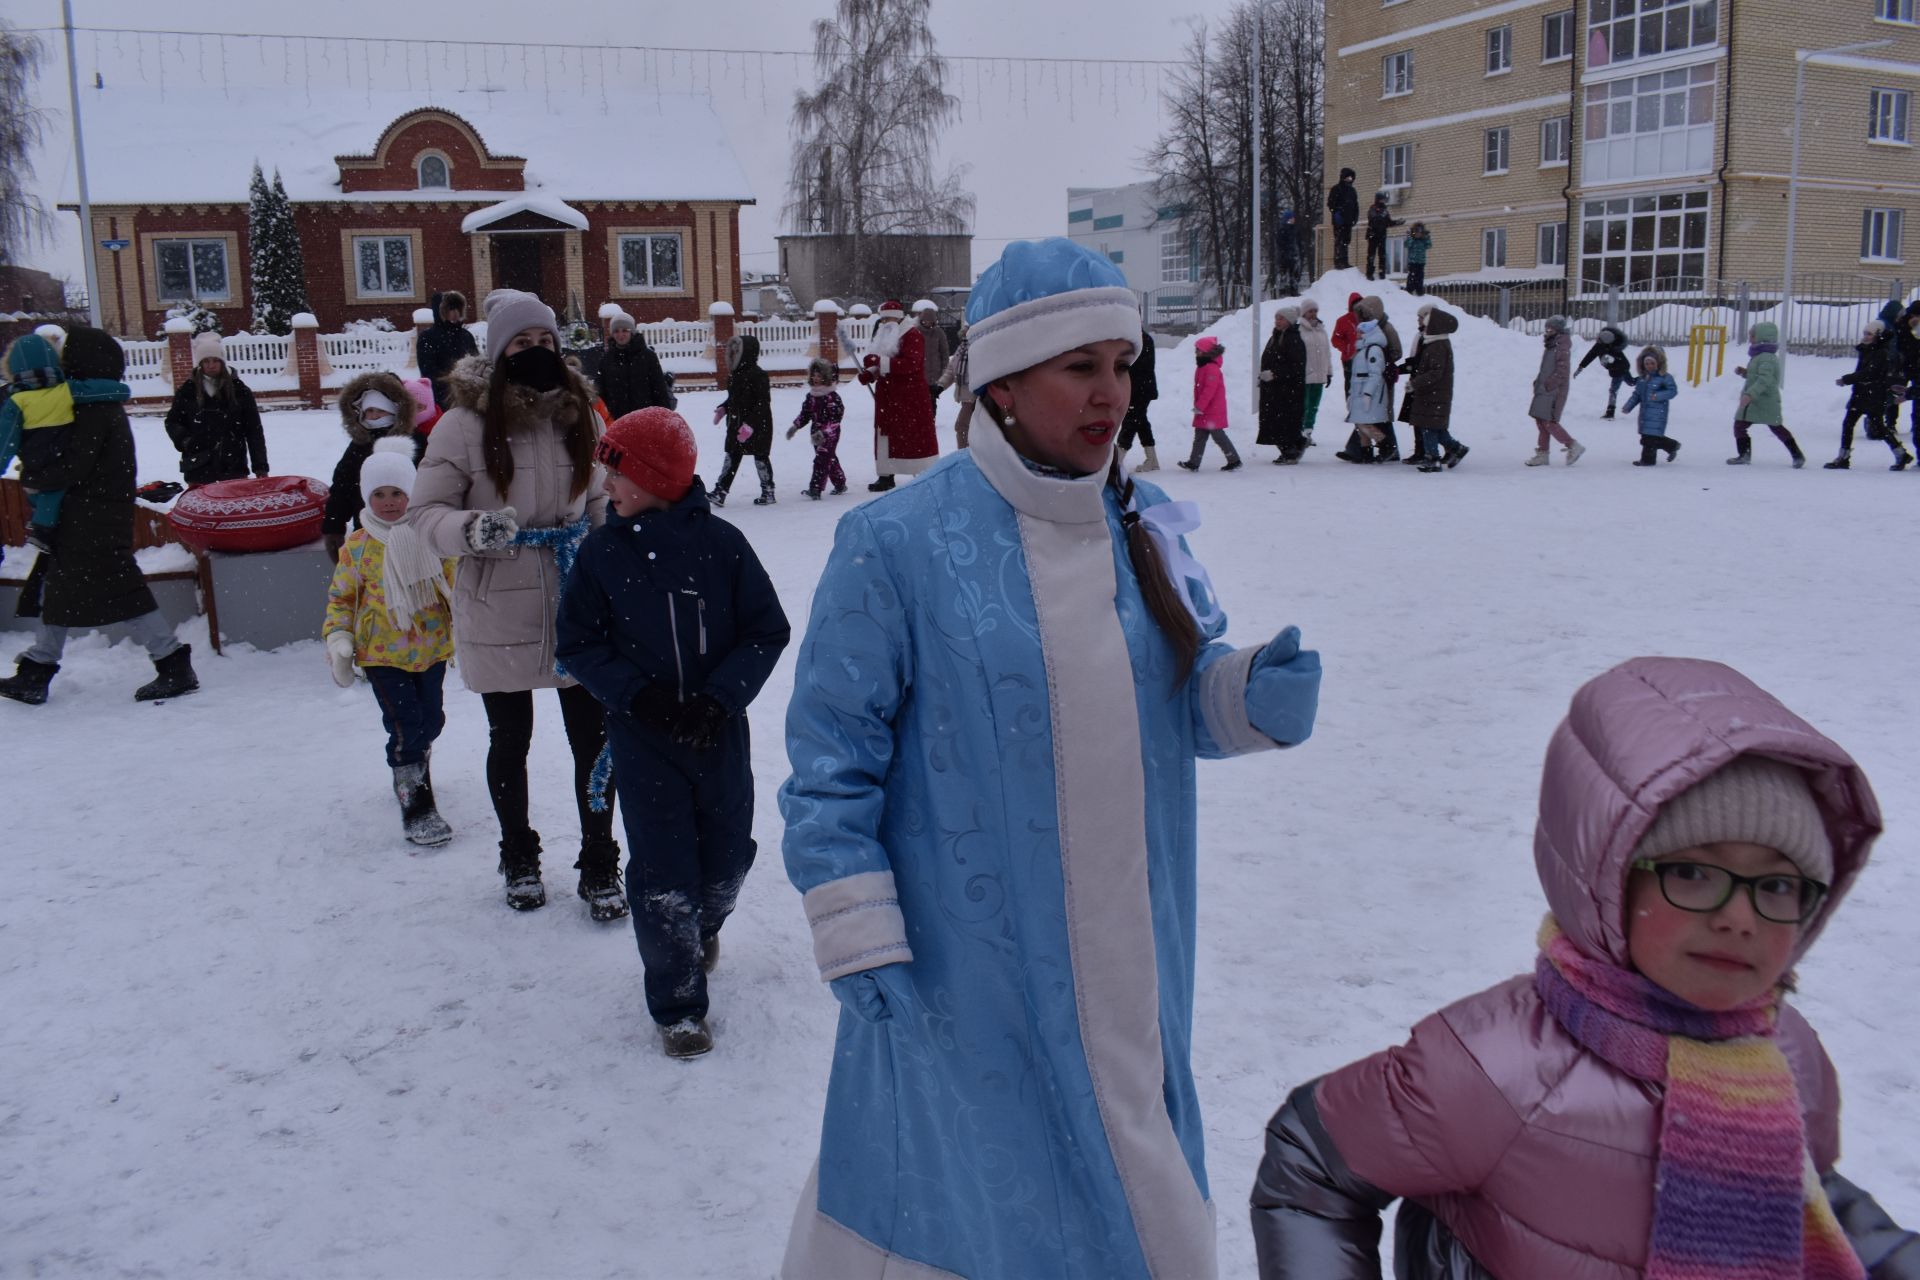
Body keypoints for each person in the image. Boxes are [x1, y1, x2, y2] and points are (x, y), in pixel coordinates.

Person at [779, 236, 1321, 1279]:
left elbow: (1165, 696)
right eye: (1082, 367)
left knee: (1132, 1169)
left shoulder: (1141, 526)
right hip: (963, 961)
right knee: (985, 1195)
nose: (1111, 393)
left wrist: (1242, 693)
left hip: (1131, 946)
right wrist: (856, 920)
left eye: (1123, 364)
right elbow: (831, 759)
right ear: (1006, 384)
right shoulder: (897, 543)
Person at [1251, 656, 1918, 1280]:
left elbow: (1800, 1196)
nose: (1739, 918)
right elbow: (1312, 1164)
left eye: (1777, 887)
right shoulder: (1498, 1069)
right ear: (1609, 880)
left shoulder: (1787, 1050)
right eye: (1691, 873)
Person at [557, 407, 791, 1059]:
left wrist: (720, 700)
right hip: (645, 739)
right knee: (662, 874)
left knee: (725, 860)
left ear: (658, 478)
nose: (607, 488)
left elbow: (766, 630)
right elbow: (576, 641)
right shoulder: (603, 553)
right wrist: (641, 697)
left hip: (719, 736)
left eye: (617, 475)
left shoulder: (723, 547)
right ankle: (679, 1002)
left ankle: (704, 924)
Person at [409, 288, 624, 919]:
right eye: (523, 344)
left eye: (547, 342)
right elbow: (424, 514)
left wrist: (610, 555)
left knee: (595, 740)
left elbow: (601, 504)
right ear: (500, 352)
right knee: (511, 739)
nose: (537, 352)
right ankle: (519, 854)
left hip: (577, 597)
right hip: (497, 598)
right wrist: (471, 531)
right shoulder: (463, 423)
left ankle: (599, 859)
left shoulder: (582, 413)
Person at [0, 328, 201, 706]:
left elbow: (72, 467)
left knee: (122, 591)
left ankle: (173, 664)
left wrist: (31, 476)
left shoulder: (95, 410)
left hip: (91, 518)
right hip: (92, 515)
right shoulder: (98, 404)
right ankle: (37, 671)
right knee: (59, 588)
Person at [323, 437, 458, 847]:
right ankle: (415, 800)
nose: (387, 502)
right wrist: (340, 637)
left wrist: (469, 629)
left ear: (411, 494)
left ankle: (414, 757)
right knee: (405, 728)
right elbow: (342, 597)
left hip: (432, 648)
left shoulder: (430, 537)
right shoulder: (358, 548)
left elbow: (456, 589)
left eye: (396, 492)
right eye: (378, 494)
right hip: (382, 653)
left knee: (431, 719)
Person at [321, 372, 428, 562]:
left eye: (381, 410)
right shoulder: (358, 446)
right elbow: (342, 486)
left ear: (396, 410)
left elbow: (431, 483)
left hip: (410, 529)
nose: (375, 415)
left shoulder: (415, 442)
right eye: (370, 411)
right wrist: (333, 525)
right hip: (366, 529)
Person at [1, 333, 92, 552]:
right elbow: (109, 390)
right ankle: (43, 529)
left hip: (32, 460)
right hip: (60, 457)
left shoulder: (16, 401)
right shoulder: (67, 390)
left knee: (36, 490)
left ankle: (41, 525)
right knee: (54, 490)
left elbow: (6, 440)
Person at [164, 332, 267, 486]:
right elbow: (172, 422)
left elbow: (254, 431)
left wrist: (260, 467)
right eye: (206, 361)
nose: (211, 365)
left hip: (233, 466)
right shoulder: (187, 391)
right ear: (200, 364)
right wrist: (186, 441)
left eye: (215, 360)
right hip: (197, 467)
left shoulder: (239, 391)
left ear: (222, 362)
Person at [857, 299, 939, 491]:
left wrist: (880, 361)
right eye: (882, 320)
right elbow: (884, 360)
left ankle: (923, 471)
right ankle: (886, 475)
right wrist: (871, 373)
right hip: (888, 397)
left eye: (887, 320)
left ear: (897, 318)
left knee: (912, 437)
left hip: (909, 397)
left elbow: (911, 364)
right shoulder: (887, 335)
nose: (884, 324)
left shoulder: (913, 335)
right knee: (885, 435)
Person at [1826, 313, 1913, 471]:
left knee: (1872, 426)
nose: (1865, 337)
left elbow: (1870, 373)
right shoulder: (1868, 349)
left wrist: (1847, 379)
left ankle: (1900, 454)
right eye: (1865, 333)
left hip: (1872, 394)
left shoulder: (1880, 352)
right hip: (1863, 393)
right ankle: (1844, 456)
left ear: (1878, 335)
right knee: (1856, 424)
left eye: (1869, 334)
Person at [1728, 321, 1805, 468]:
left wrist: (1750, 395)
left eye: (1752, 335)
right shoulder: (1760, 356)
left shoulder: (1766, 358)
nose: (1750, 338)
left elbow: (1765, 379)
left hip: (1764, 400)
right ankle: (1744, 454)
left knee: (1776, 427)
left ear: (1761, 338)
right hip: (1756, 400)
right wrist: (1745, 373)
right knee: (1740, 425)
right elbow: (1756, 376)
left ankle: (1797, 455)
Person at [1399, 304, 1467, 471]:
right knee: (1434, 427)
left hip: (1434, 393)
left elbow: (1435, 373)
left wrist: (1415, 383)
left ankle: (1433, 458)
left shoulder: (1437, 346)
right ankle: (1456, 448)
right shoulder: (1435, 343)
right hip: (1432, 393)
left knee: (1428, 426)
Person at [711, 333, 775, 506]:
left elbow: (762, 403)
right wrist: (724, 408)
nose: (732, 355)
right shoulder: (734, 375)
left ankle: (768, 491)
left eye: (736, 351)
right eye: (731, 352)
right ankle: (720, 492)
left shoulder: (758, 375)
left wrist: (750, 426)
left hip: (757, 425)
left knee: (761, 457)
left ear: (746, 353)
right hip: (736, 423)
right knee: (732, 456)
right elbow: (735, 399)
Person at [1525, 315, 1585, 466]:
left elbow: (1562, 371)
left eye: (1551, 328)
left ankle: (1573, 446)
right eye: (1547, 328)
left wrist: (1549, 384)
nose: (1548, 331)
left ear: (1558, 330)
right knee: (1540, 419)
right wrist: (1539, 382)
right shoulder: (1552, 346)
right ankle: (1543, 453)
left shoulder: (1561, 347)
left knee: (1549, 421)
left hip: (1554, 391)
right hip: (1545, 389)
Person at [1339, 299, 1394, 464]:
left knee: (1364, 423)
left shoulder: (1373, 350)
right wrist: (1351, 394)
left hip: (1367, 391)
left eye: (1360, 332)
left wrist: (1368, 393)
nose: (1357, 334)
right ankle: (1365, 451)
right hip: (1358, 390)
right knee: (1359, 422)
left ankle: (1385, 444)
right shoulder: (1363, 350)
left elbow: (1375, 374)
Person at [594, 311, 674, 420]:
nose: (620, 335)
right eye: (616, 331)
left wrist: (665, 417)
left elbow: (659, 389)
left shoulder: (647, 356)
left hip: (645, 419)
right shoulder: (606, 359)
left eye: (625, 330)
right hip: (616, 421)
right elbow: (600, 392)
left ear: (632, 331)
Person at [786, 357, 847, 499]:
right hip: (815, 433)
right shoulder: (811, 396)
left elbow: (835, 420)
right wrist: (795, 426)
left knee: (821, 459)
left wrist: (824, 432)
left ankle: (815, 489)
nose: (815, 378)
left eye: (819, 375)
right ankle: (840, 483)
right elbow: (805, 414)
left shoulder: (832, 397)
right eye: (813, 375)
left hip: (830, 434)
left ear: (825, 377)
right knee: (829, 458)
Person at [1179, 335, 1243, 471]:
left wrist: (1199, 406)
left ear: (1206, 351)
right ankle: (1194, 462)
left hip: (1212, 410)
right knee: (1200, 436)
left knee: (1218, 436)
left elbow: (1209, 390)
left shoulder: (1211, 368)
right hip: (1206, 410)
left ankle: (1234, 460)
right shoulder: (1203, 366)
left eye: (1198, 349)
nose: (1195, 352)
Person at [1257, 306, 1309, 464]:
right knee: (1277, 421)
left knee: (1283, 422)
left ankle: (1289, 452)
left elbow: (1296, 365)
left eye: (1281, 318)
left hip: (1287, 390)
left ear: (1289, 321)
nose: (1277, 321)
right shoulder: (1277, 336)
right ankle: (1297, 443)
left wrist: (1274, 374)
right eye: (1276, 318)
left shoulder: (1293, 338)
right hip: (1275, 389)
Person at [416, 290, 478, 412]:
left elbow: (475, 361)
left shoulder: (466, 335)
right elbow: (428, 369)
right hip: (441, 397)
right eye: (450, 309)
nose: (455, 313)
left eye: (457, 309)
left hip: (468, 395)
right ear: (441, 312)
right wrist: (450, 382)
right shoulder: (428, 337)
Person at [1623, 346, 1682, 466]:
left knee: (1649, 439)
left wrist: (1658, 395)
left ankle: (1648, 460)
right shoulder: (1643, 379)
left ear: (1658, 363)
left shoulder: (1665, 377)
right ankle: (1672, 445)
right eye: (1647, 363)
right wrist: (1628, 406)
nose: (1649, 366)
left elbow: (1672, 391)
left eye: (1652, 363)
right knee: (1649, 437)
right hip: (1645, 414)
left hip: (1657, 414)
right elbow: (1637, 395)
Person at [1117, 325, 1160, 471]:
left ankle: (1117, 461)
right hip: (1140, 389)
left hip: (1139, 390)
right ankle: (1152, 460)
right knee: (1140, 422)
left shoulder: (1138, 340)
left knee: (1131, 420)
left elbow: (1134, 368)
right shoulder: (1137, 338)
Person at [1575, 323, 1634, 419]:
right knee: (1631, 382)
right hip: (1617, 369)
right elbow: (1591, 354)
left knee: (1613, 390)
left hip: (1620, 369)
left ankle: (1610, 412)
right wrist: (1581, 366)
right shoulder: (1600, 345)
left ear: (1607, 342)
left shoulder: (1615, 349)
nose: (1598, 341)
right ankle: (1646, 378)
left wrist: (1611, 360)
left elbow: (1619, 363)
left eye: (1600, 340)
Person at [935, 321, 978, 449]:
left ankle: (965, 455)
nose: (965, 332)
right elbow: (952, 370)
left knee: (962, 427)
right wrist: (940, 386)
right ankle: (968, 455)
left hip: (977, 397)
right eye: (965, 329)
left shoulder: (980, 347)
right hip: (967, 398)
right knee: (965, 428)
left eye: (968, 329)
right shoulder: (962, 347)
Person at [1298, 299, 1333, 446]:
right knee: (1303, 406)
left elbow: (1327, 353)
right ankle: (1299, 433)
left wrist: (1329, 372)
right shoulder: (1299, 330)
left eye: (1315, 311)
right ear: (1304, 312)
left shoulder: (1321, 330)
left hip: (1319, 375)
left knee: (1313, 407)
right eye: (1310, 311)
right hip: (1305, 376)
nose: (1313, 314)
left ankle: (1308, 432)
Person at [912, 299, 949, 422]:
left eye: (930, 321)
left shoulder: (939, 332)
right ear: (921, 320)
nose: (928, 323)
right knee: (919, 397)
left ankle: (930, 419)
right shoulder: (915, 332)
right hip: (920, 371)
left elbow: (944, 351)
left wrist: (944, 367)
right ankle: (919, 418)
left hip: (934, 371)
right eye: (925, 320)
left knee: (932, 397)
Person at [1331, 291, 1363, 401]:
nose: (1358, 306)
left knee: (1363, 383)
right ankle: (1351, 407)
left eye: (1360, 303)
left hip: (1364, 357)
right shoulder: (1342, 321)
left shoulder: (1366, 319)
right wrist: (1346, 348)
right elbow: (1335, 339)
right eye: (1355, 304)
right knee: (1350, 383)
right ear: (1351, 305)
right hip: (1349, 358)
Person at [1363, 192, 1402, 281]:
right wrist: (1382, 216)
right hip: (1373, 234)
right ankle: (1369, 273)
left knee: (1382, 255)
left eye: (1384, 200)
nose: (1383, 201)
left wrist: (1397, 222)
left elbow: (1388, 222)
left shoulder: (1384, 210)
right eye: (1381, 199)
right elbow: (1373, 219)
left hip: (1382, 235)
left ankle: (1382, 273)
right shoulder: (1373, 208)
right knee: (1371, 254)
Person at [1327, 167, 1360, 271]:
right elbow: (1330, 203)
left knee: (1346, 241)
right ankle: (1338, 262)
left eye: (1351, 177)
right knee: (1339, 240)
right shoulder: (1336, 189)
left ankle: (1345, 261)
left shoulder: (1352, 191)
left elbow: (1355, 205)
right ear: (1344, 177)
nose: (1350, 179)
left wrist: (1355, 217)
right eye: (1348, 177)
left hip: (1348, 220)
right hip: (1339, 220)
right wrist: (1337, 212)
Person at [1404, 221, 1432, 296]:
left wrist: (1427, 237)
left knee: (1420, 276)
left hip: (1421, 261)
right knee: (1412, 276)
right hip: (1412, 261)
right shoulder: (1412, 239)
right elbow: (1407, 245)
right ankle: (1410, 289)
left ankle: (1419, 290)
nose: (1418, 234)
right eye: (1416, 232)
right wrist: (1410, 236)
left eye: (1420, 232)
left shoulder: (1423, 240)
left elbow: (1429, 245)